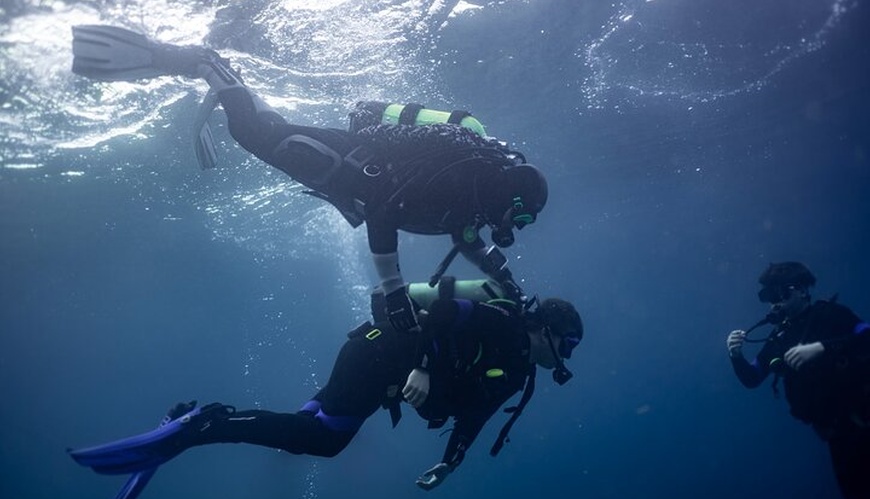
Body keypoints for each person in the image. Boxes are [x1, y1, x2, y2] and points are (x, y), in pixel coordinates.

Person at [70, 25, 550, 332]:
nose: (518, 225)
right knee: (254, 134)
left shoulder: (470, 201)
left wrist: (508, 283)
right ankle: (201, 61)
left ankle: (225, 75)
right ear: (509, 193)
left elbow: (469, 240)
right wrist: (394, 290)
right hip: (346, 163)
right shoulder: (459, 179)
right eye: (521, 214)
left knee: (271, 131)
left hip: (347, 177)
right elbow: (385, 212)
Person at [69, 280, 583, 499]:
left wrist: (449, 463)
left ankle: (200, 421)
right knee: (322, 441)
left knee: (307, 431)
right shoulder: (504, 323)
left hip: (375, 363)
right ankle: (203, 424)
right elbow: (442, 312)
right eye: (570, 344)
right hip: (381, 357)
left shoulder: (517, 373)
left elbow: (477, 416)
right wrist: (423, 367)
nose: (568, 356)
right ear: (552, 331)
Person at [726, 262, 870, 499]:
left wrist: (822, 348)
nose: (774, 304)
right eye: (768, 297)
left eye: (780, 294)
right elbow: (753, 377)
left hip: (864, 418)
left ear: (802, 290)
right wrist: (736, 356)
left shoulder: (831, 315)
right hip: (836, 437)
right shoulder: (777, 339)